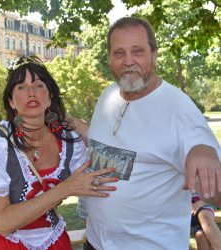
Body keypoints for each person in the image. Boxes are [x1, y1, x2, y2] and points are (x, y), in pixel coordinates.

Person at [72, 17, 221, 250]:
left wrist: (205, 153)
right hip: (96, 242)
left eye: (138, 51)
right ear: (109, 57)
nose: (128, 61)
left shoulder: (179, 110)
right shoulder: (109, 95)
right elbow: (114, 149)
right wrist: (78, 126)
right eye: (119, 53)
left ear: (154, 54)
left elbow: (215, 189)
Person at [0, 56, 118, 250]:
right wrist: (66, 188)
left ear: (49, 97)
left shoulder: (69, 143)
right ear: (12, 102)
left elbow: (112, 159)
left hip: (53, 242)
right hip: (0, 244)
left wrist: (67, 119)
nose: (31, 92)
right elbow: (2, 223)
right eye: (21, 87)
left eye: (39, 85)